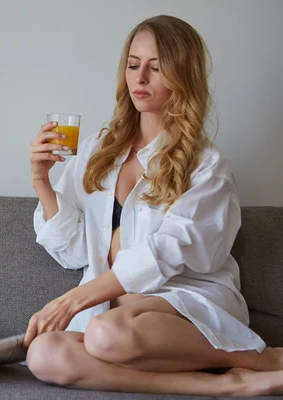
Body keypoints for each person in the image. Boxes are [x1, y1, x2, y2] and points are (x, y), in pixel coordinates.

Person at [25, 15, 283, 397]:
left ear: (182, 76)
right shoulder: (97, 148)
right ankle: (225, 385)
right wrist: (41, 181)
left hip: (183, 306)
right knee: (44, 354)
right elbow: (74, 252)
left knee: (107, 333)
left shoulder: (206, 164)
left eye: (156, 67)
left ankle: (254, 357)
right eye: (133, 64)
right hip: (114, 317)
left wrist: (74, 299)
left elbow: (171, 251)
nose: (140, 78)